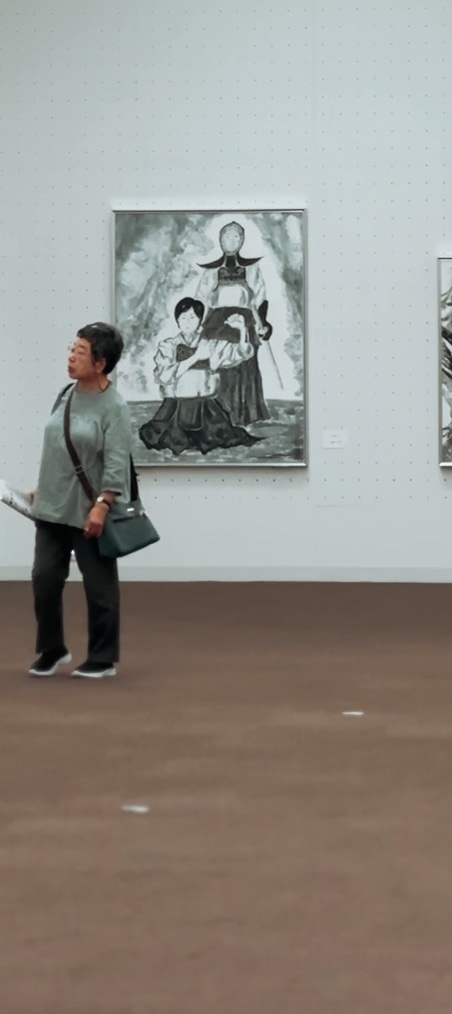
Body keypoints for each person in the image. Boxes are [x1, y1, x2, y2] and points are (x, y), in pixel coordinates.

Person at [28, 323, 135, 680]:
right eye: (72, 349)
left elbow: (117, 463)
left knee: (100, 587)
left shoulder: (114, 407)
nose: (71, 357)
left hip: (90, 509)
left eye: (80, 352)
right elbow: (57, 446)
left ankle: (102, 658)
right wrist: (42, 487)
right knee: (44, 579)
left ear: (100, 363)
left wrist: (102, 505)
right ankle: (52, 649)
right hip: (51, 506)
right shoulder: (66, 393)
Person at [139, 298, 259, 457]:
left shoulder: (210, 345)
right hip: (175, 407)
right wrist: (195, 357)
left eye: (192, 317)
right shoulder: (168, 346)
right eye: (183, 317)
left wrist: (242, 330)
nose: (187, 322)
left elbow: (241, 352)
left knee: (220, 438)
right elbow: (163, 376)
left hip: (206, 407)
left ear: (200, 320)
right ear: (177, 320)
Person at [197, 221, 273, 426]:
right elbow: (201, 299)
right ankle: (217, 414)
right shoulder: (211, 271)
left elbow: (260, 297)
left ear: (242, 240)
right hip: (217, 322)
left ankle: (245, 414)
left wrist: (263, 323)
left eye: (236, 237)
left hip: (245, 320)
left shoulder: (252, 269)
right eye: (226, 236)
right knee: (218, 364)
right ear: (220, 240)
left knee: (245, 364)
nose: (230, 241)